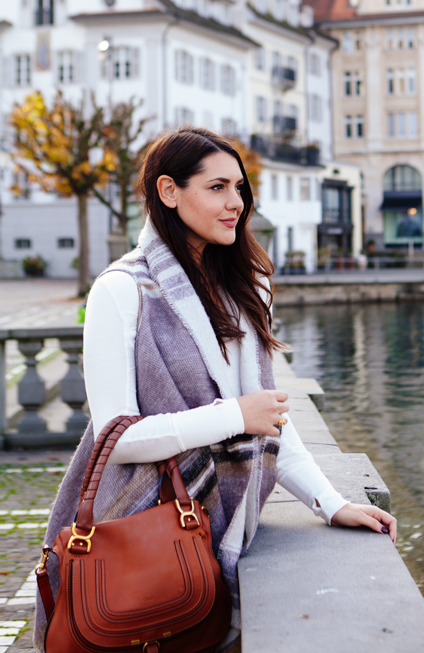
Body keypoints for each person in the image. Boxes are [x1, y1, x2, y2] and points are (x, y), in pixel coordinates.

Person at [35, 127, 395, 653]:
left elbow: (267, 420)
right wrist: (232, 416)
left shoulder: (246, 287)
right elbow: (118, 437)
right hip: (142, 526)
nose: (236, 203)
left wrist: (330, 503)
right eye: (218, 188)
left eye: (240, 188)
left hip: (225, 520)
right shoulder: (121, 290)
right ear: (168, 191)